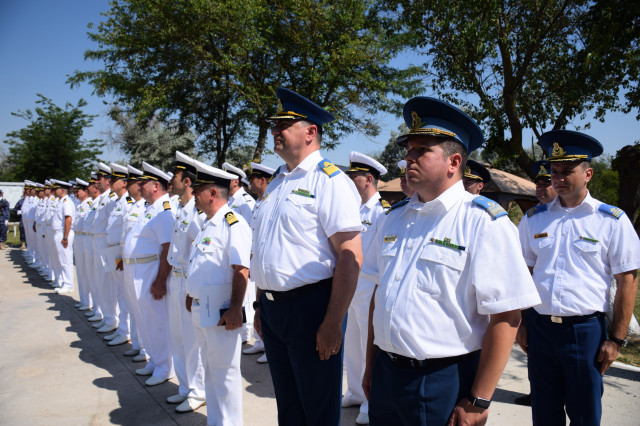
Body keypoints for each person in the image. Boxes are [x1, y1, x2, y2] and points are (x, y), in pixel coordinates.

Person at [361, 96, 541, 426]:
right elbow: (379, 294)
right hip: (386, 373)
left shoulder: (483, 222)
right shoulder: (394, 218)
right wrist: (371, 365)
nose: (408, 158)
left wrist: (480, 399)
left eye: (421, 150)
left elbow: (507, 316)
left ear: (454, 162)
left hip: (442, 379)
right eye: (408, 149)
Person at [252, 87, 363, 426]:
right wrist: (260, 305)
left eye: (283, 125)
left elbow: (350, 257)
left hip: (311, 309)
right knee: (289, 408)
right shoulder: (277, 181)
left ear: (310, 132)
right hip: (273, 309)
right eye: (274, 124)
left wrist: (332, 322)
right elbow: (265, 249)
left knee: (318, 410)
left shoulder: (329, 181)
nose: (275, 130)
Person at [517, 130, 640, 426]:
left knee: (585, 415)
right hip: (540, 329)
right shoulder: (534, 219)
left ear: (588, 174)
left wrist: (616, 340)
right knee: (544, 413)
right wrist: (520, 323)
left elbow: (627, 281)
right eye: (554, 171)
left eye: (567, 171)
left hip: (584, 332)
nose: (558, 178)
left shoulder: (611, 220)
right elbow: (524, 275)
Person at [186, 160, 251, 426]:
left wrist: (235, 309)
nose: (193, 193)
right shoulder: (208, 223)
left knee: (225, 375)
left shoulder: (232, 223)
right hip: (203, 309)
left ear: (213, 193)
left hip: (222, 312)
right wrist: (190, 293)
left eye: (198, 189)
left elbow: (241, 269)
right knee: (211, 372)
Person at [342, 151, 389, 425]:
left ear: (368, 179)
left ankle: (371, 403)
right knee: (351, 343)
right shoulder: (354, 208)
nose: (350, 181)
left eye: (354, 177)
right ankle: (354, 391)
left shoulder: (382, 211)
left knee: (367, 344)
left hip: (369, 286)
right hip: (351, 285)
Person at [122, 162, 176, 386]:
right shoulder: (149, 209)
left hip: (149, 271)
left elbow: (167, 248)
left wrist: (161, 280)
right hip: (136, 270)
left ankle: (165, 367)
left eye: (143, 183)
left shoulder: (164, 212)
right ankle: (155, 360)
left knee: (156, 321)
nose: (139, 186)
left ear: (155, 186)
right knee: (143, 319)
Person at [165, 151, 206, 412]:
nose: (171, 180)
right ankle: (185, 387)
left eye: (175, 176)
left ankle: (198, 390)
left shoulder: (197, 213)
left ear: (187, 181)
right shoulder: (180, 210)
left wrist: (193, 288)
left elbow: (201, 252)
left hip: (188, 282)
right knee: (178, 337)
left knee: (192, 341)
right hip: (175, 278)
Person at [514, 160, 556, 407]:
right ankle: (537, 394)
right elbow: (523, 267)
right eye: (538, 183)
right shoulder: (531, 218)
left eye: (546, 183)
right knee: (537, 361)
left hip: (576, 313)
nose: (541, 188)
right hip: (537, 308)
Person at [242, 162, 276, 364]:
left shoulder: (269, 202)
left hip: (264, 262)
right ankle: (260, 342)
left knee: (264, 303)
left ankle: (268, 346)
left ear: (263, 180)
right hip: (255, 258)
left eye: (253, 179)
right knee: (258, 304)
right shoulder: (258, 203)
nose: (250, 184)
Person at [49, 179, 76, 294]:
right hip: (58, 232)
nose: (54, 191)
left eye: (56, 189)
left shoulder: (67, 202)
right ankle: (64, 282)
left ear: (62, 190)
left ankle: (69, 284)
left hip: (64, 233)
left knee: (66, 260)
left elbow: (68, 219)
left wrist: (65, 237)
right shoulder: (60, 201)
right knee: (61, 260)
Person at [73, 178, 93, 311]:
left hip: (85, 237)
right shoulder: (80, 205)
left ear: (85, 191)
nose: (76, 193)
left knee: (87, 271)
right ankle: (84, 299)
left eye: (78, 190)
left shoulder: (89, 204)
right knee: (80, 271)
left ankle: (89, 301)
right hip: (78, 237)